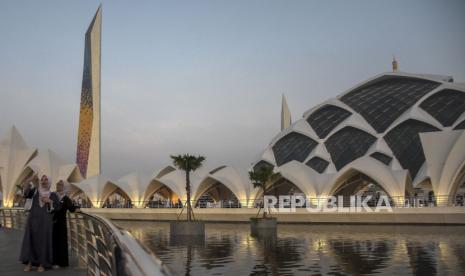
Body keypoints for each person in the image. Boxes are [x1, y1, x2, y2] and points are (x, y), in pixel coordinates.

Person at [20, 174, 59, 272]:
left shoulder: (53, 195)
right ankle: (29, 263)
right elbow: (25, 193)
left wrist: (49, 201)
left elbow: (57, 208)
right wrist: (29, 180)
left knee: (43, 241)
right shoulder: (35, 192)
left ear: (49, 182)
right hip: (33, 220)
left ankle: (42, 264)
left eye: (46, 179)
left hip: (45, 223)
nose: (44, 181)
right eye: (42, 179)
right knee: (31, 240)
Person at [52, 180, 79, 268]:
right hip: (52, 223)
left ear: (64, 187)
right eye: (57, 184)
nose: (58, 186)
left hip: (61, 223)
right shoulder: (53, 196)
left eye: (60, 184)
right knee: (53, 242)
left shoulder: (66, 198)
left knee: (61, 242)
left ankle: (62, 262)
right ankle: (53, 261)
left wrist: (77, 208)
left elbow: (71, 209)